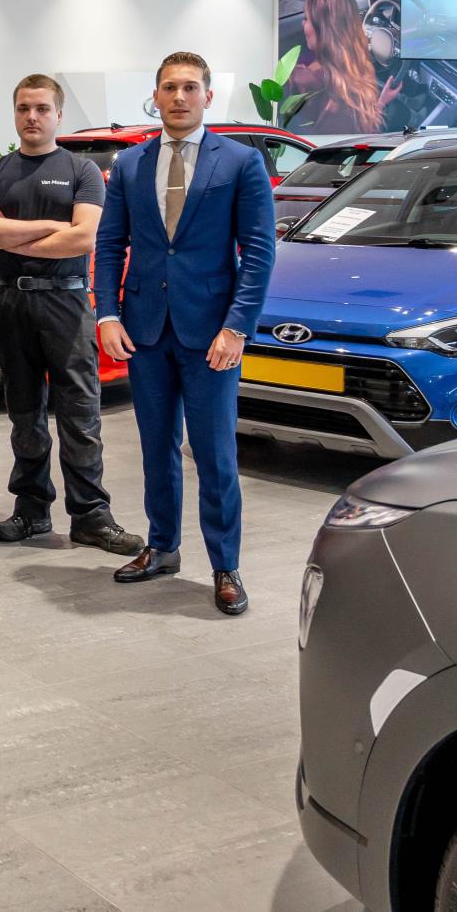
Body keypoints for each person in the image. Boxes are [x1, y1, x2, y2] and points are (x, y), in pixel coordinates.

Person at [94, 52, 276, 616]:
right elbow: (109, 244)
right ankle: (163, 547)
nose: (179, 97)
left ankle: (225, 565)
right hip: (145, 330)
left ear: (207, 97)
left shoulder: (240, 162)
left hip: (212, 334)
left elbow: (259, 253)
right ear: (156, 95)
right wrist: (107, 315)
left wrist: (236, 327)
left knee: (215, 453)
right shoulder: (130, 164)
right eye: (169, 87)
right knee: (156, 448)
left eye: (190, 87)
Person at [0, 75, 144, 557]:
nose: (31, 117)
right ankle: (31, 509)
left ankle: (91, 515)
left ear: (58, 114)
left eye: (41, 109)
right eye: (23, 108)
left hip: (67, 302)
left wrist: (17, 237)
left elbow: (83, 238)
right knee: (24, 413)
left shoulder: (82, 170)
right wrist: (52, 228)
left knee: (80, 412)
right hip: (10, 302)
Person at [292, 0, 396, 132]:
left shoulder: (302, 79)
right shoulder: (359, 71)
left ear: (325, 28)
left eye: (307, 18)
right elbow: (364, 131)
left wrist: (381, 102)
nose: (303, 23)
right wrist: (380, 104)